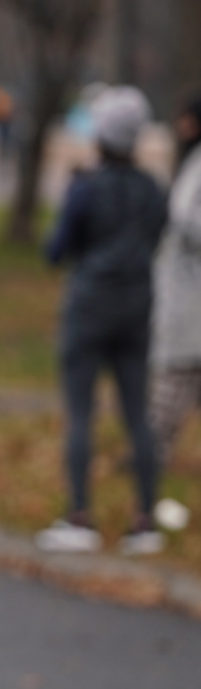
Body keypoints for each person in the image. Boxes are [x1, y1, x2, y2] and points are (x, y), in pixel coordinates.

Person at [36, 86, 166, 555]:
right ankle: (145, 520)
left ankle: (80, 517)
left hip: (90, 305)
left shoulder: (87, 187)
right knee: (138, 414)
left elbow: (56, 250)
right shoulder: (154, 190)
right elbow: (157, 236)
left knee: (81, 413)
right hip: (137, 304)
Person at [149, 98, 201, 477]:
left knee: (175, 372)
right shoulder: (192, 161)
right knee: (181, 372)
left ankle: (151, 451)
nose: (181, 126)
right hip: (184, 287)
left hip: (190, 289)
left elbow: (184, 217)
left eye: (186, 119)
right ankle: (153, 450)